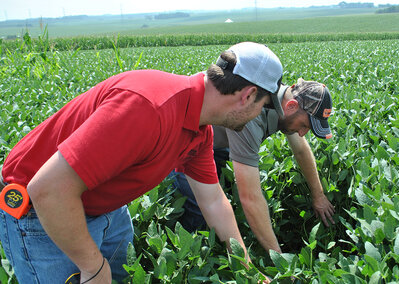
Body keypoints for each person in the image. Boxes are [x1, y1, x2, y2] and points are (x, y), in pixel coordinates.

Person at [0, 41, 283, 283]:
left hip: (104, 209)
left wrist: (248, 270)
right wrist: (93, 266)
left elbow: (213, 202)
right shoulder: (148, 107)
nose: (261, 114)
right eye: (265, 105)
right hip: (43, 214)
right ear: (247, 96)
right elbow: (48, 190)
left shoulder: (199, 129)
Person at [171, 78, 336, 254]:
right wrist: (280, 261)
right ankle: (183, 253)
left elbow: (301, 150)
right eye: (304, 125)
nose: (303, 133)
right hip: (183, 140)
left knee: (221, 195)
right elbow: (250, 198)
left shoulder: (284, 100)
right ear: (292, 106)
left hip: (216, 141)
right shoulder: (252, 116)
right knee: (199, 207)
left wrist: (318, 195)